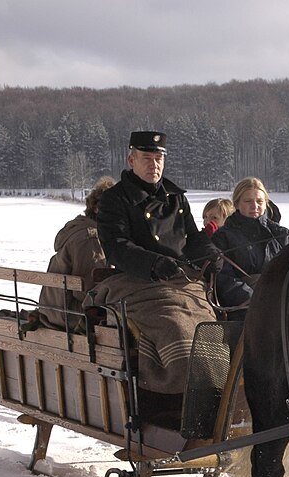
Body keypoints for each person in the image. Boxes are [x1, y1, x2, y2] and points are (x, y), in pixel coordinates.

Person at [90, 130, 222, 396]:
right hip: (136, 283)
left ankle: (216, 390)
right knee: (176, 327)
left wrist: (211, 253)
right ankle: (181, 393)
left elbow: (193, 238)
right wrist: (154, 263)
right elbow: (117, 248)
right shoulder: (114, 199)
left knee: (210, 331)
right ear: (131, 160)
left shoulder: (176, 197)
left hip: (182, 282)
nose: (154, 164)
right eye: (147, 158)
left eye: (159, 158)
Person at [37, 175, 116, 331]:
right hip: (70, 314)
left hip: (55, 310)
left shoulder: (81, 228)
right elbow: (90, 290)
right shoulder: (90, 238)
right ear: (97, 208)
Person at [212, 177, 289, 318]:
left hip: (282, 303)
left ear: (266, 203)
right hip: (243, 309)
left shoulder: (281, 234)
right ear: (237, 204)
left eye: (259, 201)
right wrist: (256, 299)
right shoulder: (222, 237)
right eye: (248, 201)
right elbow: (223, 279)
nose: (254, 206)